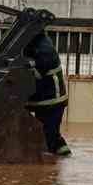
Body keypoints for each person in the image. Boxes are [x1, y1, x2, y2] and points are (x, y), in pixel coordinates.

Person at [25, 27, 72, 157]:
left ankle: (49, 168)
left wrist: (28, 64)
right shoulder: (35, 42)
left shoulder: (44, 48)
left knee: (49, 134)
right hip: (42, 100)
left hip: (51, 101)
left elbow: (40, 69)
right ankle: (63, 158)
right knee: (50, 133)